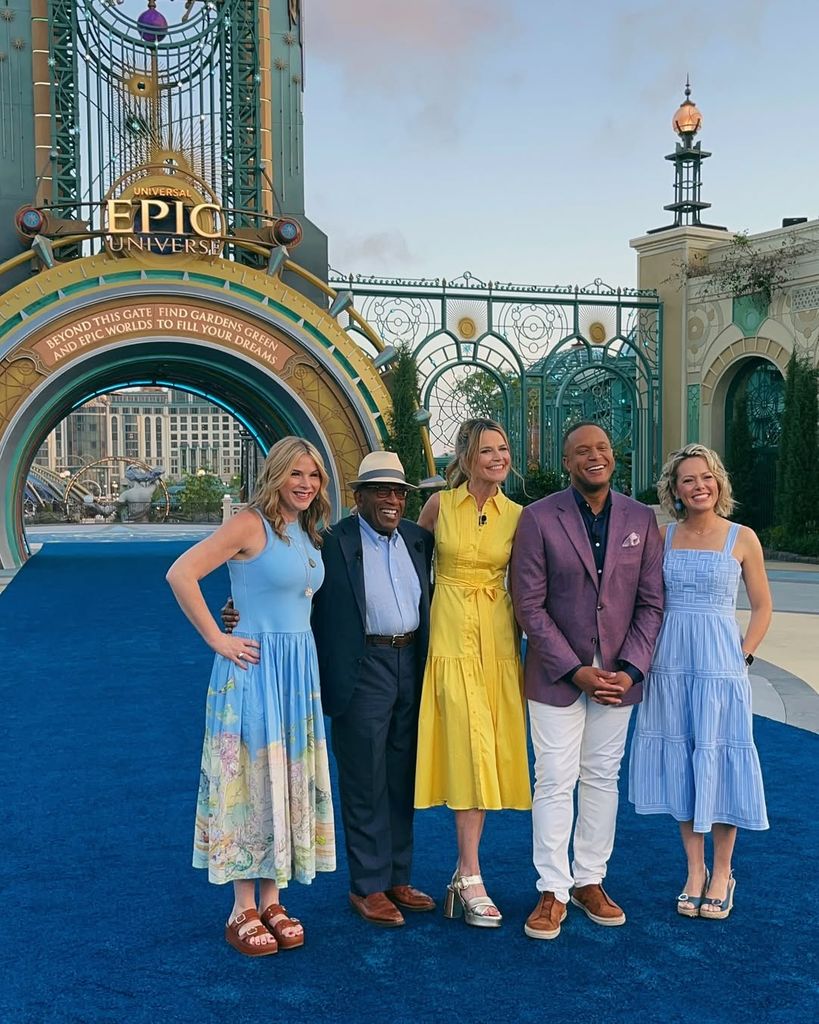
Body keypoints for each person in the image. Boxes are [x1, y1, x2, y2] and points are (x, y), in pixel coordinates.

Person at [224, 451, 436, 928]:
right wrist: (236, 611)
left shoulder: (419, 541)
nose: (391, 499)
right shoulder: (327, 541)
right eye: (380, 490)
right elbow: (282, 583)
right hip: (362, 666)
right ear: (357, 496)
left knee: (403, 776)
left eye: (399, 491)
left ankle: (399, 876)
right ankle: (369, 886)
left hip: (412, 664)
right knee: (365, 777)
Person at [166, 436, 335, 957]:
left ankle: (273, 899)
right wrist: (218, 637)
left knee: (283, 776)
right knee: (249, 777)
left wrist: (236, 605)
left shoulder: (309, 534)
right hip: (254, 672)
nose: (305, 484)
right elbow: (182, 572)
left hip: (297, 675)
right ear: (276, 476)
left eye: (314, 476)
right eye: (296, 474)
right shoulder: (248, 523)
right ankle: (242, 907)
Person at [510, 421, 664, 940]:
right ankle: (552, 889)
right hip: (558, 676)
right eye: (581, 451)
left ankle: (589, 879)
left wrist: (631, 669)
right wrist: (575, 669)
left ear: (613, 457)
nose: (593, 457)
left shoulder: (642, 518)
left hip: (619, 679)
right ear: (568, 463)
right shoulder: (537, 518)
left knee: (601, 777)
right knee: (554, 778)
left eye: (601, 448)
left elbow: (651, 603)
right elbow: (528, 605)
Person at [629, 444, 772, 920]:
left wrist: (744, 655)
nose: (699, 486)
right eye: (688, 480)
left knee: (723, 759)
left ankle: (723, 872)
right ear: (674, 489)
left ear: (719, 483)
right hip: (671, 663)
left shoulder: (742, 537)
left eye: (707, 477)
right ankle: (694, 870)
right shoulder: (662, 536)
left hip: (721, 667)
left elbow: (762, 606)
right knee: (685, 764)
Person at [414, 418, 530, 928]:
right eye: (487, 450)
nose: (498, 458)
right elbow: (406, 567)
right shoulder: (440, 506)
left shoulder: (520, 516)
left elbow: (533, 583)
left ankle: (466, 873)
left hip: (498, 643)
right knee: (465, 748)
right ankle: (470, 873)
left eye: (503, 449)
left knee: (484, 750)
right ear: (466, 457)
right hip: (448, 637)